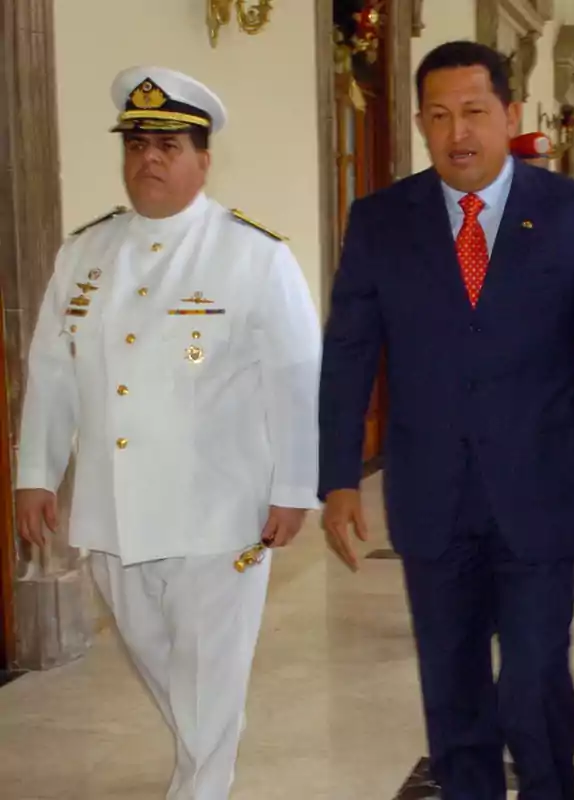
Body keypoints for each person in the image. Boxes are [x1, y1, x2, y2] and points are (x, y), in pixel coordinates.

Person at [318, 40, 574, 800]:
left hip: (544, 489)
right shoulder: (381, 221)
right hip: (432, 494)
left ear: (509, 115)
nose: (457, 133)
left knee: (531, 680)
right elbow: (350, 353)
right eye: (438, 116)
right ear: (421, 124)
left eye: (474, 112)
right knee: (452, 689)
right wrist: (336, 478)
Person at [14, 66, 321, 798]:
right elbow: (52, 371)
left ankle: (200, 787)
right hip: (113, 509)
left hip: (217, 511)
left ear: (203, 159)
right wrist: (35, 472)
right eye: (137, 143)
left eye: (170, 145)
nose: (149, 158)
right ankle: (203, 758)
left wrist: (295, 486)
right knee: (165, 665)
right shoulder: (83, 254)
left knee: (209, 674)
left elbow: (296, 377)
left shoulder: (253, 254)